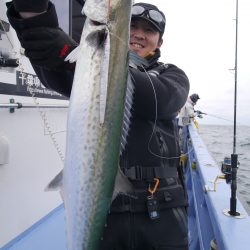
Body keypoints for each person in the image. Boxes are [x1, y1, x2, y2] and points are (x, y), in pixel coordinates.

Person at [6, 1, 190, 249]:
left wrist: (92, 57)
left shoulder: (173, 75)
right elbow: (52, 65)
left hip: (163, 212)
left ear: (160, 42)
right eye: (132, 25)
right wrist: (33, 14)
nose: (138, 34)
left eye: (149, 30)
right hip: (105, 212)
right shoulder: (87, 65)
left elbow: (164, 99)